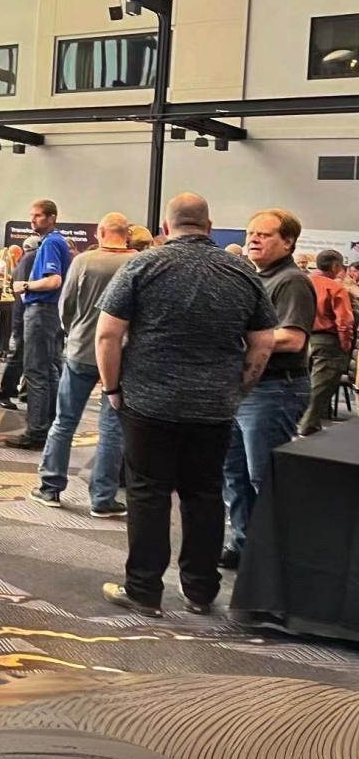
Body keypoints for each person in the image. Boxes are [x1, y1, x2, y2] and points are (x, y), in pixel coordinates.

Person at [96, 193, 276, 617]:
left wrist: (112, 388)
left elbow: (107, 335)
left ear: (165, 227)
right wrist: (239, 389)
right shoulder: (242, 271)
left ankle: (144, 590)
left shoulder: (142, 265)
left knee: (148, 494)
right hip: (213, 406)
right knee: (205, 494)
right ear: (209, 227)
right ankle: (200, 590)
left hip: (148, 402)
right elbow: (264, 342)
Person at [220, 208, 316, 569]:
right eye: (251, 233)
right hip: (244, 389)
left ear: (288, 242)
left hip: (275, 389)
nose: (253, 240)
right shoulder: (254, 277)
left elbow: (292, 339)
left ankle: (281, 557)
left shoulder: (292, 281)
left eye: (264, 234)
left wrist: (239, 337)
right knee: (234, 473)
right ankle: (245, 544)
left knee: (263, 477)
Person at [30, 213, 137, 517]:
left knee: (64, 421)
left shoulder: (83, 261)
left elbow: (66, 305)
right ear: (127, 234)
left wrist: (74, 331)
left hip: (81, 351)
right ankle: (103, 498)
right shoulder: (138, 263)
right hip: (120, 355)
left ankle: (50, 488)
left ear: (101, 232)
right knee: (112, 429)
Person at [5, 200, 70, 450]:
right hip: (50, 313)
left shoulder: (51, 243)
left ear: (52, 218)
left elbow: (54, 280)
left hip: (41, 311)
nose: (33, 220)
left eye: (38, 216)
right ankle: (48, 425)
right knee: (50, 370)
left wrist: (25, 286)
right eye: (32, 215)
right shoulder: (55, 242)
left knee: (36, 372)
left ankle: (36, 431)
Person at [298, 250, 353, 436]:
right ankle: (307, 426)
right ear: (336, 266)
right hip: (327, 341)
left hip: (302, 338)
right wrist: (345, 345)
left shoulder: (301, 282)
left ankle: (299, 422)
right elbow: (344, 322)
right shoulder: (335, 288)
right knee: (321, 386)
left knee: (303, 383)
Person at [0, 235, 39, 410]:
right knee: (19, 355)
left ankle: (20, 391)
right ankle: (4, 392)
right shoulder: (30, 260)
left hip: (27, 314)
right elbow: (21, 289)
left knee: (27, 355)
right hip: (25, 315)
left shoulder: (28, 260)